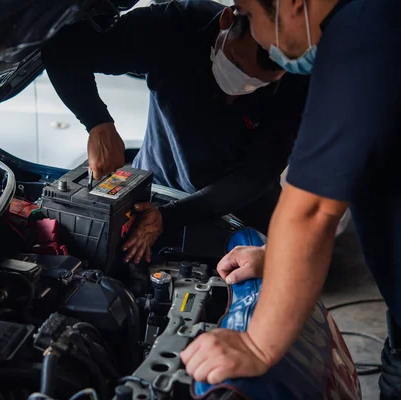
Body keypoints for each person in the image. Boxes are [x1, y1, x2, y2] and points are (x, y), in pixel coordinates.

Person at [179, 0, 401, 398]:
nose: (261, 39)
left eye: (248, 16)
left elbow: (313, 209)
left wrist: (256, 344)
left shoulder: (363, 34)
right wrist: (277, 257)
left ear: (292, 3)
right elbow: (358, 167)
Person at [40, 0, 310, 264]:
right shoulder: (177, 27)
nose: (241, 89)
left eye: (258, 84)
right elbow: (62, 48)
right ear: (227, 21)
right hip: (157, 192)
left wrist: (168, 216)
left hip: (240, 213)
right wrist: (97, 123)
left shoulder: (296, 78)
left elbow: (254, 176)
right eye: (237, 66)